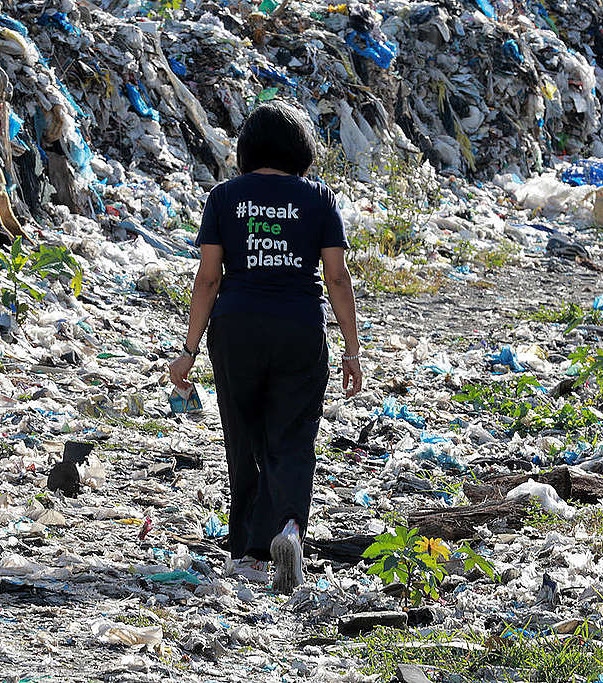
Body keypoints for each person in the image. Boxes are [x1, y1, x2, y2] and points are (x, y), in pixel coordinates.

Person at [168, 102, 363, 593]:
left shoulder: (225, 197)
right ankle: (291, 528)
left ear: (247, 149)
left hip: (236, 330)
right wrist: (352, 349)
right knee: (293, 437)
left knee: (245, 438)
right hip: (299, 328)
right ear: (300, 149)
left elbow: (208, 279)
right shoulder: (318, 198)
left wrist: (188, 350)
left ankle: (251, 556)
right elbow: (336, 277)